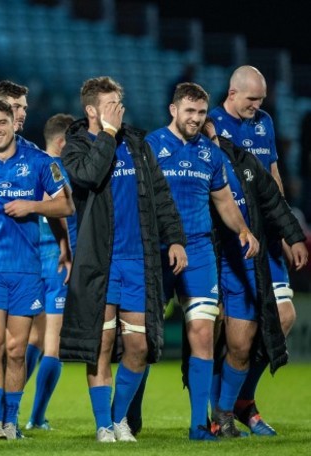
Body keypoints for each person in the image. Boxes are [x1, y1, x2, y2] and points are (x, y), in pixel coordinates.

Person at [59, 76, 187, 443]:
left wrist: (175, 238)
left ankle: (119, 420)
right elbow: (89, 176)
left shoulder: (137, 144)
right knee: (100, 345)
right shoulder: (77, 146)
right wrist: (107, 134)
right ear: (91, 110)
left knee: (140, 347)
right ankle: (103, 425)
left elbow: (160, 194)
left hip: (139, 260)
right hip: (101, 261)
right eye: (111, 104)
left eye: (120, 102)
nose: (119, 109)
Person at [142, 82, 259, 440]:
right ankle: (128, 417)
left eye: (201, 112)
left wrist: (243, 230)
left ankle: (198, 424)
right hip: (159, 251)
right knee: (143, 341)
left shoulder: (211, 154)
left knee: (203, 333)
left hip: (199, 252)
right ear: (173, 110)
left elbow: (224, 202)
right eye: (189, 111)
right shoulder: (151, 146)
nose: (195, 118)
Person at [0, 99, 74, 440]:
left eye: (1, 123)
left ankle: (12, 421)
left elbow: (65, 203)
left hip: (27, 269)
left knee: (16, 349)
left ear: (14, 123)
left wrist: (34, 206)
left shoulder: (39, 161)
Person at [201, 118, 308, 437]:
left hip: (250, 250)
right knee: (209, 334)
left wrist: (292, 235)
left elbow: (272, 195)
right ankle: (211, 416)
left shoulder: (244, 157)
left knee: (253, 333)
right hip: (208, 255)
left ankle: (236, 404)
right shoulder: (193, 158)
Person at [24, 113, 78, 431]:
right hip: (53, 256)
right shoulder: (53, 167)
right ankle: (36, 417)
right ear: (62, 142)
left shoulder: (28, 163)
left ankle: (7, 408)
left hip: (30, 256)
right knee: (53, 343)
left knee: (32, 338)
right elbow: (54, 207)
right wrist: (67, 249)